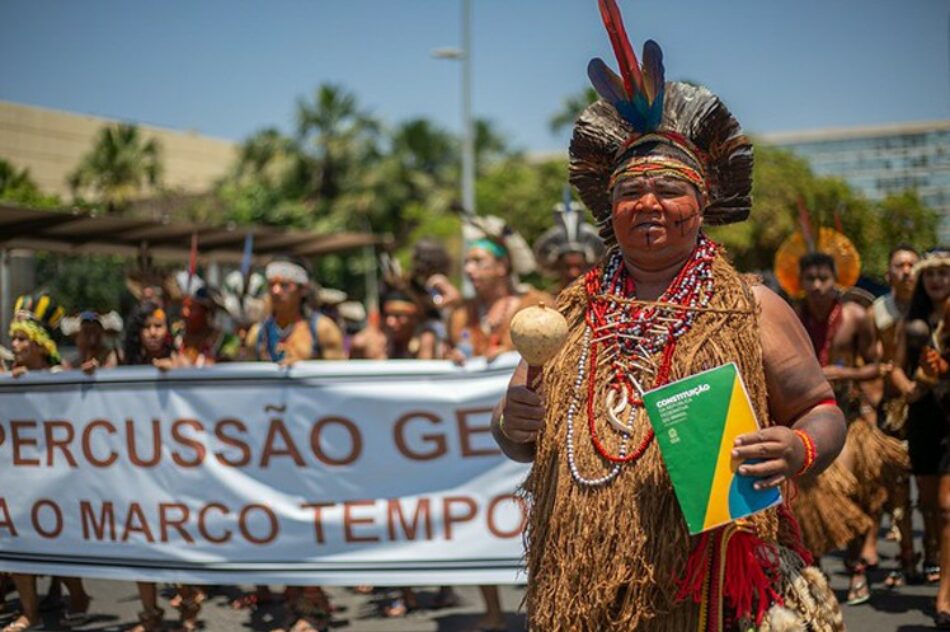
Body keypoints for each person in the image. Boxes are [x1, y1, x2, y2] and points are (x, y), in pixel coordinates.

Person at [491, 2, 845, 628]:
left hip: (705, 580)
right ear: (611, 210)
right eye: (629, 191)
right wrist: (509, 420)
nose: (648, 202)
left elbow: (821, 409)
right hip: (580, 583)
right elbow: (516, 437)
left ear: (702, 202)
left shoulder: (750, 306)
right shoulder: (567, 313)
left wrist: (798, 447)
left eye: (670, 189)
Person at [791, 251, 907, 605]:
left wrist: (844, 375)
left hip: (850, 419)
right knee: (810, 500)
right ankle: (819, 568)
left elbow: (879, 367)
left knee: (854, 493)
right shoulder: (794, 318)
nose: (817, 286)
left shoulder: (856, 316)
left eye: (823, 278)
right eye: (810, 279)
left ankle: (858, 567)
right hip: (807, 421)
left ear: (835, 280)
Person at [4, 295, 92, 632]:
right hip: (19, 477)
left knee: (56, 541)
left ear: (40, 343)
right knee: (13, 541)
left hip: (56, 475)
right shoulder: (11, 378)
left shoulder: (59, 375)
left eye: (22, 338)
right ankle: (31, 613)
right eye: (14, 338)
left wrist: (87, 381)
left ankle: (79, 595)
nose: (15, 344)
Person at [889, 248, 950, 624]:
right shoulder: (911, 320)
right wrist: (911, 387)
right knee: (928, 504)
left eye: (944, 274)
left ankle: (945, 593)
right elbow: (894, 367)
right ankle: (933, 551)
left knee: (947, 508)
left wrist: (940, 372)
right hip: (924, 419)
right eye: (932, 275)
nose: (937, 280)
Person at [869, 245, 921, 587]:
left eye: (911, 265)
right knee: (895, 485)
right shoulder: (878, 311)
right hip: (891, 407)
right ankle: (904, 554)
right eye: (899, 265)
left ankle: (931, 553)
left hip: (931, 404)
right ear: (889, 273)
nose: (905, 271)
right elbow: (873, 363)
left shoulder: (935, 307)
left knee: (933, 488)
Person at [251, 257, 345, 364]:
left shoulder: (324, 330)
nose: (275, 291)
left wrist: (302, 368)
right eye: (271, 285)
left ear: (303, 289)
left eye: (285, 285)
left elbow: (336, 375)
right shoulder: (257, 334)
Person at [532, 189, 605, 293]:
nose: (573, 273)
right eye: (567, 267)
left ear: (588, 266)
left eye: (579, 266)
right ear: (557, 267)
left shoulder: (604, 302)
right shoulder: (543, 303)